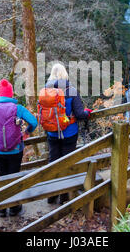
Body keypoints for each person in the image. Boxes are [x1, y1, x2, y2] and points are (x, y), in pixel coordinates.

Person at [0, 79, 38, 217]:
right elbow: (34, 122)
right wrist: (26, 132)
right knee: (14, 177)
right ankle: (14, 208)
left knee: (1, 177)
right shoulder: (18, 108)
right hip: (15, 149)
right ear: (11, 93)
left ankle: (2, 209)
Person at [42, 63, 92, 205]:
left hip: (52, 133)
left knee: (53, 162)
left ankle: (51, 195)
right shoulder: (71, 90)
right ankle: (63, 197)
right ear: (65, 74)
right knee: (67, 163)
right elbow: (80, 114)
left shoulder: (46, 90)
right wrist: (87, 112)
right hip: (69, 133)